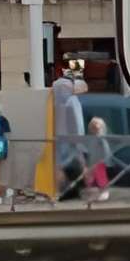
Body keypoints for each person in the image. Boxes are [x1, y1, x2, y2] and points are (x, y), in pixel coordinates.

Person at [50, 62, 91, 201]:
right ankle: (71, 191)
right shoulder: (72, 101)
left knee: (63, 168)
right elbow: (77, 125)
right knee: (71, 168)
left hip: (58, 142)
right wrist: (80, 145)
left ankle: (66, 192)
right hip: (69, 143)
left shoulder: (53, 102)